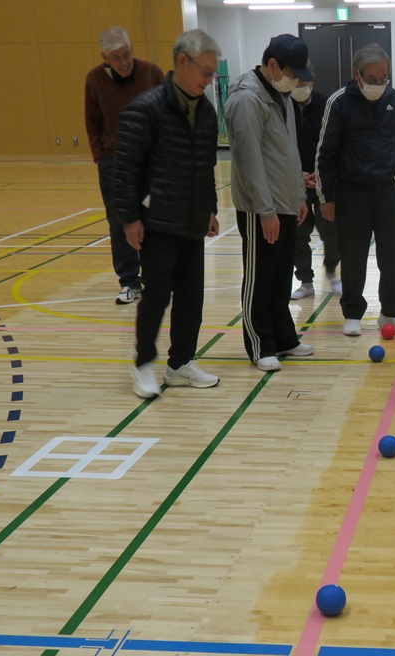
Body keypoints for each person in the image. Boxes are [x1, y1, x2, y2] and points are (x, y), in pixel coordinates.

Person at [114, 29, 222, 399]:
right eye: (206, 72)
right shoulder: (145, 109)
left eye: (213, 73)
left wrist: (210, 209)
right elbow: (124, 170)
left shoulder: (206, 112)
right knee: (157, 295)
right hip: (157, 222)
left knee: (192, 298)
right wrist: (129, 218)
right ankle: (143, 363)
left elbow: (206, 166)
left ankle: (180, 364)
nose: (209, 80)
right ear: (182, 62)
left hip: (192, 220)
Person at [225, 35, 315, 373]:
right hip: (259, 208)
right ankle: (259, 345)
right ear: (273, 64)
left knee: (280, 278)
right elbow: (249, 161)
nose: (296, 81)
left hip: (285, 203)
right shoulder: (247, 99)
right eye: (292, 73)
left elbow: (289, 151)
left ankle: (284, 338)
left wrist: (299, 195)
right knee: (260, 278)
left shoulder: (282, 96)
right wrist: (265, 210)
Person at [315, 43, 395, 337]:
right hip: (351, 192)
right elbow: (324, 154)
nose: (379, 84)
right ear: (357, 74)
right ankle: (352, 313)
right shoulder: (338, 102)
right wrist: (326, 196)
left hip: (386, 190)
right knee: (353, 256)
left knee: (393, 254)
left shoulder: (394, 99)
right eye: (372, 79)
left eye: (384, 78)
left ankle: (392, 311)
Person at [84, 27, 164, 305]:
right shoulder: (94, 79)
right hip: (114, 162)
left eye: (127, 54)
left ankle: (156, 279)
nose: (123, 62)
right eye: (116, 57)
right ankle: (129, 281)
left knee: (154, 219)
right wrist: (101, 158)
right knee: (120, 223)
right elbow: (92, 121)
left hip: (149, 161)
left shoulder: (151, 73)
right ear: (104, 57)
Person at [289, 61, 341, 300]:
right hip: (294, 179)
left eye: (304, 82)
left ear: (312, 79)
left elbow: (335, 144)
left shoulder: (327, 105)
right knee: (298, 233)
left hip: (324, 180)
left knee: (331, 231)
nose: (300, 86)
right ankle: (305, 281)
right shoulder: (283, 106)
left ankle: (332, 271)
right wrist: (296, 174)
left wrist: (321, 173)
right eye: (296, 82)